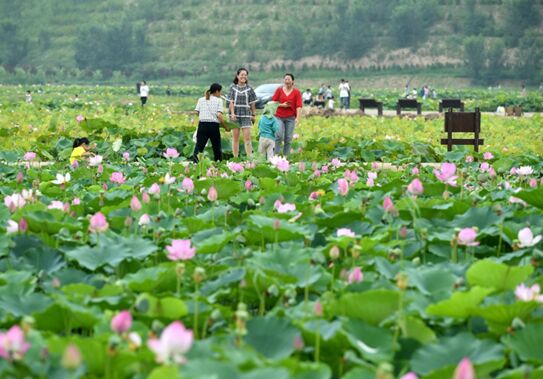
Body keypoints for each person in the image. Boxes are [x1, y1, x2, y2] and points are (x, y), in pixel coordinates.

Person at [192, 83, 229, 162]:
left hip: (202, 125)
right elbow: (219, 115)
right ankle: (218, 165)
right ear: (216, 91)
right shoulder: (219, 100)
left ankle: (195, 164)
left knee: (199, 147)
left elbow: (197, 112)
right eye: (220, 92)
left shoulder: (201, 99)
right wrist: (226, 127)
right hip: (213, 126)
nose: (220, 94)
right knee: (216, 148)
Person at [228, 68, 257, 158]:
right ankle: (235, 157)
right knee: (235, 138)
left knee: (247, 138)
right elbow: (231, 102)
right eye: (242, 75)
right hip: (235, 116)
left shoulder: (249, 89)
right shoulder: (232, 88)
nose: (243, 76)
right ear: (237, 76)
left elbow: (252, 103)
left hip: (246, 115)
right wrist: (232, 113)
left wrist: (253, 115)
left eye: (245, 75)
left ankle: (249, 158)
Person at [272, 73, 302, 157]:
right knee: (278, 135)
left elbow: (299, 106)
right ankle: (276, 156)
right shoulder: (279, 90)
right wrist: (282, 105)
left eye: (289, 79)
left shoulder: (296, 92)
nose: (287, 81)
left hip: (290, 118)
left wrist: (298, 118)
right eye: (285, 79)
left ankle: (286, 157)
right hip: (279, 116)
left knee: (288, 138)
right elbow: (273, 103)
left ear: (292, 81)